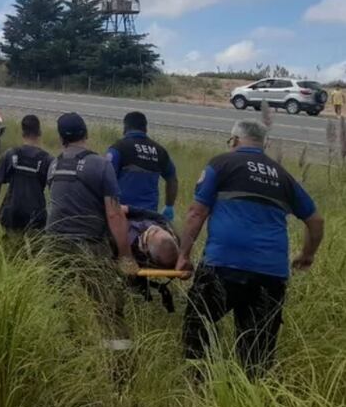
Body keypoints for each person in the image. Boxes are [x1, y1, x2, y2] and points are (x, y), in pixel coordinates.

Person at [176, 119, 325, 379]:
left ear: (234, 140)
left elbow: (196, 213)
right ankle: (249, 396)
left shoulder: (221, 164)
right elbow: (316, 221)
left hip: (223, 267)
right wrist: (307, 254)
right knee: (257, 352)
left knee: (197, 327)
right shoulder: (283, 176)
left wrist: (183, 256)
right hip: (270, 273)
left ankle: (196, 390)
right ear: (264, 144)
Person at [46, 113, 138, 350]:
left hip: (54, 245)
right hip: (89, 246)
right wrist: (125, 255)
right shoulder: (101, 165)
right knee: (108, 307)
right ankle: (120, 362)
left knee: (56, 303)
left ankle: (64, 351)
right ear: (86, 133)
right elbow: (114, 214)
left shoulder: (54, 165)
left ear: (60, 138)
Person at [106, 112, 178, 219]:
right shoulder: (159, 151)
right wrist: (169, 205)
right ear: (145, 128)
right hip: (149, 216)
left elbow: (106, 179)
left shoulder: (118, 148)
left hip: (122, 213)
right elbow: (172, 179)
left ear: (125, 128)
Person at [0, 115, 53, 232]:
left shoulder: (10, 154)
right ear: (39, 132)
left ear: (22, 132)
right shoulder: (47, 160)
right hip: (36, 216)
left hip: (11, 214)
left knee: (11, 248)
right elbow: (54, 191)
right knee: (35, 249)